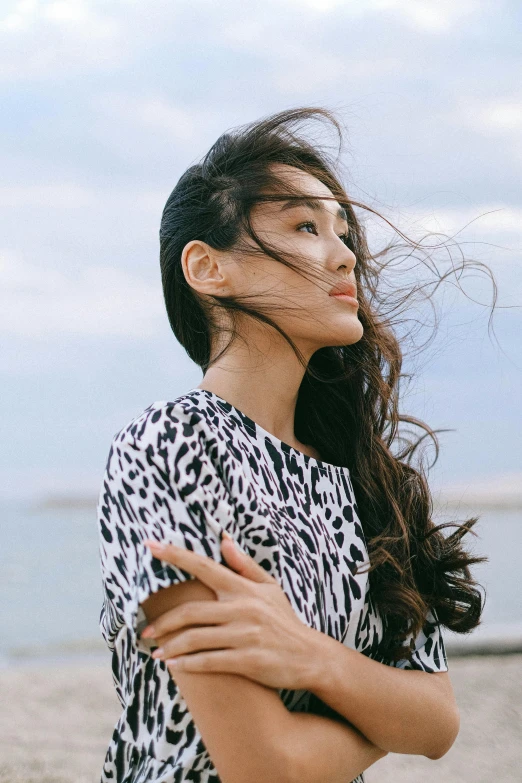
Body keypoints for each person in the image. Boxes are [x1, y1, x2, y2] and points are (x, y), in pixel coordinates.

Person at [96, 107, 488, 783]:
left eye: (343, 231)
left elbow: (440, 720)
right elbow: (264, 764)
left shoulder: (367, 479)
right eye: (305, 225)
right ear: (209, 268)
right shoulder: (169, 443)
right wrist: (377, 709)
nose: (345, 254)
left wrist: (310, 656)